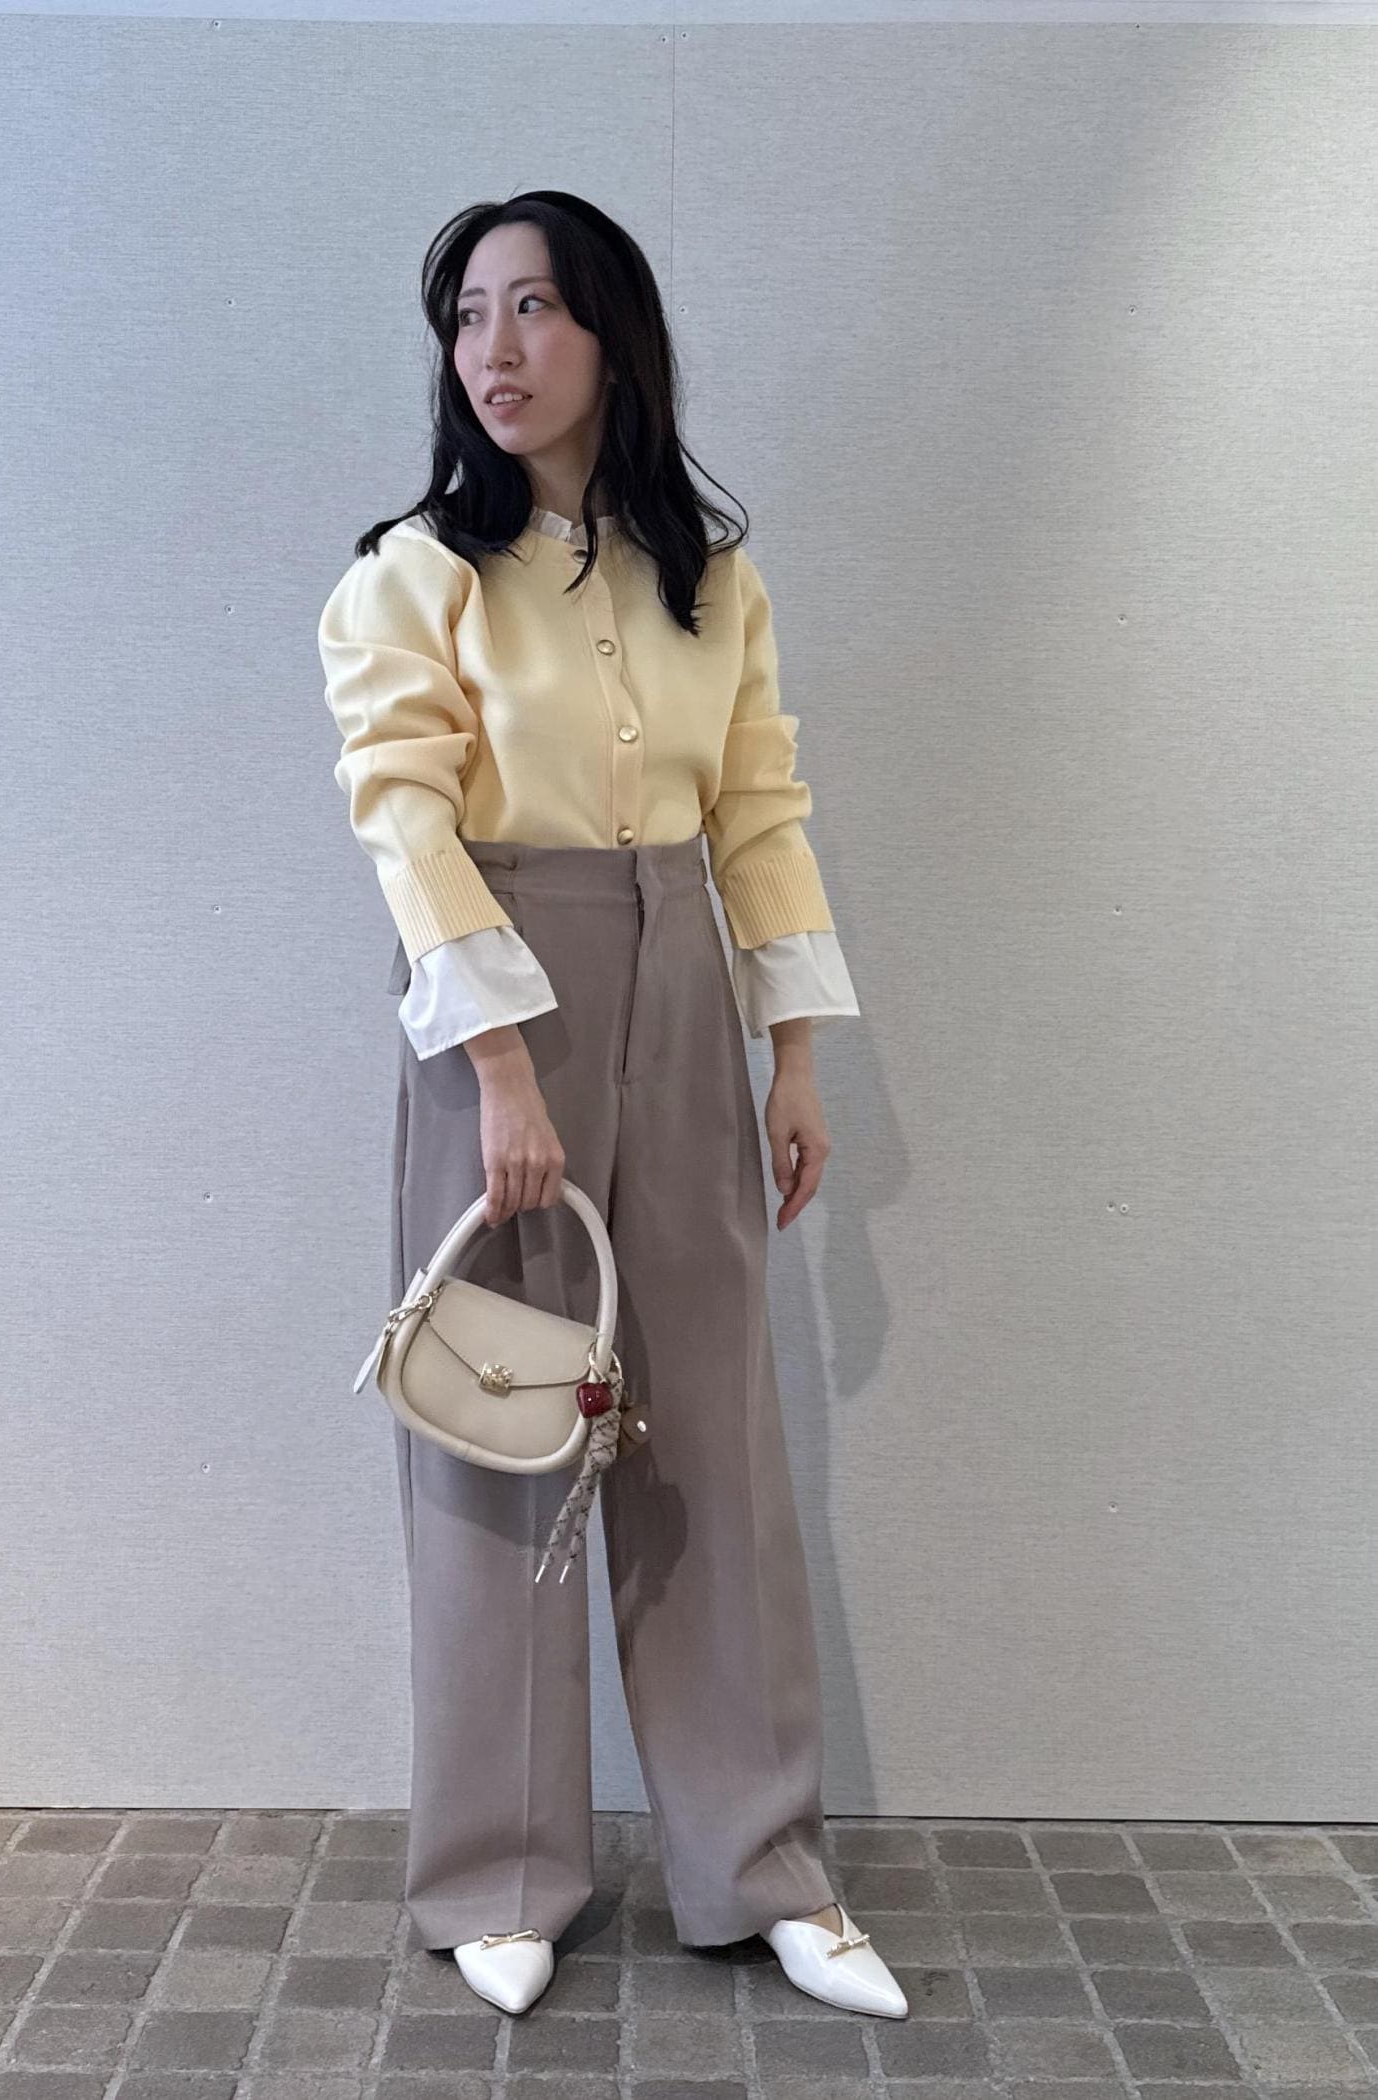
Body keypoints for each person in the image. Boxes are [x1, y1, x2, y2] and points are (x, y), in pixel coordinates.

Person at [317, 190, 906, 2022]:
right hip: (502, 999)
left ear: (612, 337)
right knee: (506, 1420)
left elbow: (760, 812)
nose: (494, 351)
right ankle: (499, 1871)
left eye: (536, 309)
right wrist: (502, 1068)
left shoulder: (708, 578)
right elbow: (405, 816)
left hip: (688, 995)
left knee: (709, 1434)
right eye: (469, 316)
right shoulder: (414, 573)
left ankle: (763, 1864)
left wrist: (792, 1053)